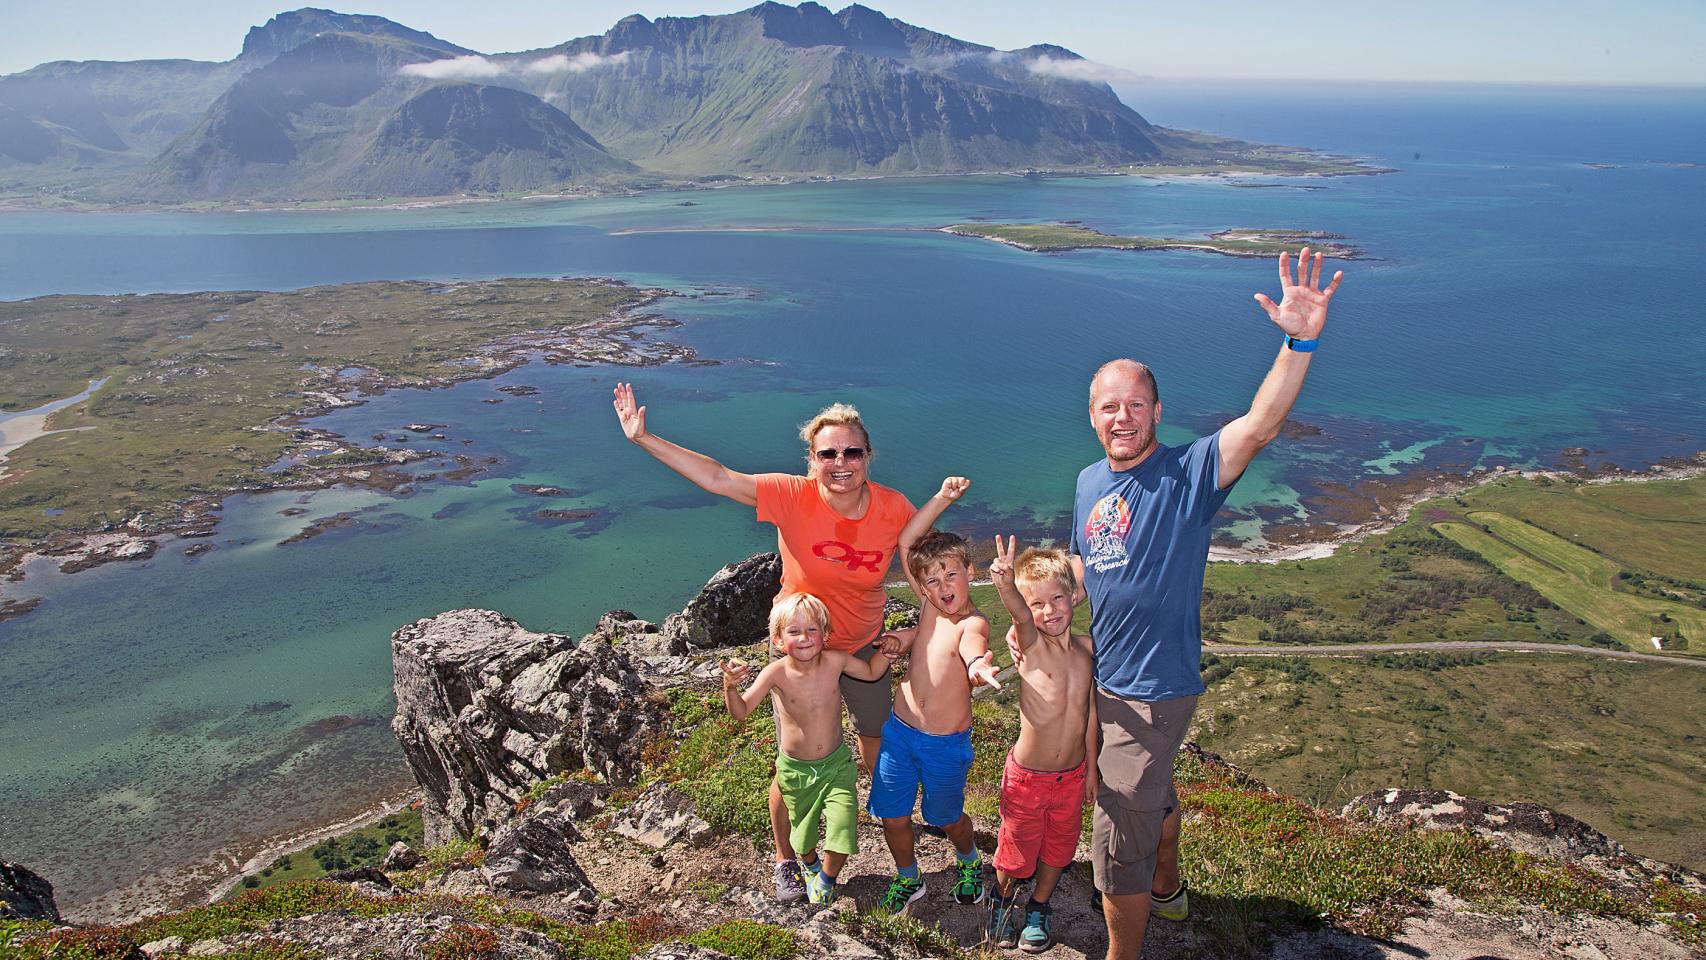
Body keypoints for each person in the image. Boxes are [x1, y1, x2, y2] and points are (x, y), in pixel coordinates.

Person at [1013, 248, 1344, 959]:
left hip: (1154, 690)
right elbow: (1082, 565)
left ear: (1157, 412)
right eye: (1109, 406)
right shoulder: (1087, 482)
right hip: (1109, 676)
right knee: (1143, 797)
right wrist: (1038, 612)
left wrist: (1300, 339)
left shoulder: (1189, 471)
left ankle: (1124, 949)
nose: (1122, 416)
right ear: (1092, 416)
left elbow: (1259, 424)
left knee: (1113, 835)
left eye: (1136, 405)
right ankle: (1168, 886)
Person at [613, 385, 916, 902]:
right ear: (811, 460)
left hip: (864, 644)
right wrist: (644, 439)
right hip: (799, 647)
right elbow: (717, 476)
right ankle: (784, 860)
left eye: (852, 452)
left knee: (875, 741)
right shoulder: (791, 494)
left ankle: (887, 817)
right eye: (828, 453)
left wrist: (913, 631)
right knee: (793, 758)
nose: (840, 462)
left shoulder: (894, 508)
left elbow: (928, 571)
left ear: (868, 456)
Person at [867, 477, 1001, 913]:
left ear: (970, 574)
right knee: (892, 814)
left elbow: (970, 649)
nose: (944, 585)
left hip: (945, 744)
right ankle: (909, 878)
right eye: (933, 579)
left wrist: (978, 666)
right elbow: (907, 541)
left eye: (952, 574)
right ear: (922, 588)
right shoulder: (928, 606)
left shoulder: (971, 623)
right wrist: (901, 641)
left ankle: (968, 859)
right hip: (900, 732)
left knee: (945, 817)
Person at [721, 593, 888, 905]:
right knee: (804, 839)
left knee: (842, 827)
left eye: (812, 630)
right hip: (796, 771)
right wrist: (730, 686)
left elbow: (871, 672)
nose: (804, 638)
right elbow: (741, 711)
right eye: (793, 632)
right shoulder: (776, 673)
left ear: (825, 635)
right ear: (779, 640)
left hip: (837, 765)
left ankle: (826, 879)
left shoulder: (836, 660)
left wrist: (890, 651)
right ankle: (809, 864)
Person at [983, 538, 1097, 954]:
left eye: (1057, 598)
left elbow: (1091, 714)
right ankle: (1000, 898)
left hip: (1072, 775)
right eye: (1038, 604)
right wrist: (1004, 582)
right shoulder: (1030, 646)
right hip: (1028, 777)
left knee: (1060, 846)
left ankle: (1038, 906)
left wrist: (1093, 771)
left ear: (1073, 596)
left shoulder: (1087, 650)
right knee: (1016, 849)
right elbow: (1018, 611)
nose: (1049, 611)